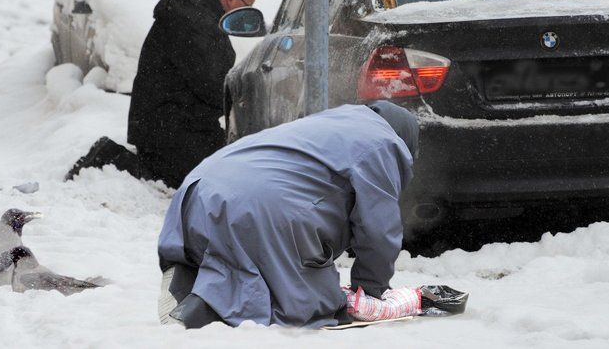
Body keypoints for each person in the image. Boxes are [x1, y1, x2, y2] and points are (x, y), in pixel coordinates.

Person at [157, 102, 419, 329]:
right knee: (306, 301)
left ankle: (188, 276)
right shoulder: (383, 144)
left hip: (198, 189)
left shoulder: (331, 122)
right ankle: (207, 311)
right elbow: (378, 230)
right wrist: (371, 291)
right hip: (260, 205)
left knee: (237, 251)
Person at [65, 0, 261, 187]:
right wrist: (242, 98)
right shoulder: (198, 23)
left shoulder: (195, 11)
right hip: (170, 129)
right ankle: (109, 157)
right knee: (210, 175)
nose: (246, 15)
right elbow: (211, 86)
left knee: (222, 162)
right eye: (248, 7)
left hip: (165, 122)